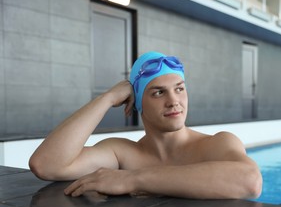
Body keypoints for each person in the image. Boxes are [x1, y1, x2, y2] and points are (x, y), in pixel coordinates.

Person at [29, 51, 262, 199]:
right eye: (158, 92)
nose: (174, 101)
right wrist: (108, 98)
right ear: (139, 103)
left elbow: (250, 181)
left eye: (179, 89)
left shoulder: (217, 143)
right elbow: (46, 165)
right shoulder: (122, 153)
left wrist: (133, 179)